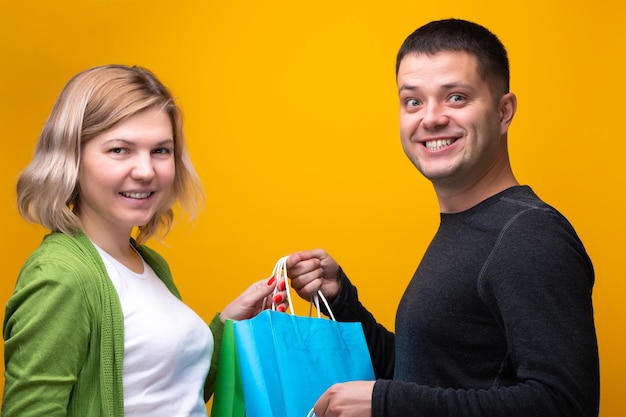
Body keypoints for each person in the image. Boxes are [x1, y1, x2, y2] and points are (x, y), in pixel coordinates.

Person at [286, 18, 599, 417]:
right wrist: (341, 301)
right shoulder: (468, 225)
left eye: (455, 97)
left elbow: (564, 406)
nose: (430, 118)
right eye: (413, 101)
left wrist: (385, 402)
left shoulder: (528, 235)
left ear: (504, 112)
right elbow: (427, 374)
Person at [2, 64, 288, 417]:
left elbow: (169, 393)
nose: (146, 171)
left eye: (160, 151)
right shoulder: (61, 276)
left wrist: (228, 325)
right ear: (72, 158)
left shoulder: (147, 262)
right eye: (120, 150)